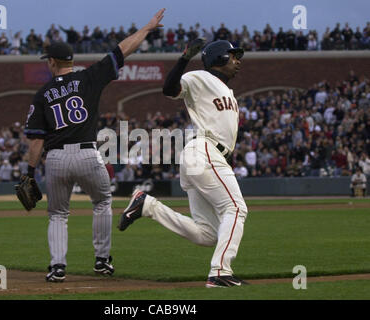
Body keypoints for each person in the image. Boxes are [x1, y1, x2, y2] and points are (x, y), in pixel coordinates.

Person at [22, 8, 165, 283]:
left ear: (52, 62)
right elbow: (122, 50)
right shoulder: (88, 77)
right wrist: (146, 29)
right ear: (71, 60)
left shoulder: (42, 94)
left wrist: (29, 172)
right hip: (88, 153)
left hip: (56, 159)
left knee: (58, 214)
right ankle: (101, 261)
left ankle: (57, 267)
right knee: (101, 202)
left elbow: (36, 140)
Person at [118, 39, 249, 288]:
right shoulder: (199, 77)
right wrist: (183, 59)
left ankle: (148, 206)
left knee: (207, 233)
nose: (237, 60)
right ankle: (220, 272)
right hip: (205, 151)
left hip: (207, 156)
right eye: (233, 56)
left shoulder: (227, 91)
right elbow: (169, 90)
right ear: (219, 58)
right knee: (236, 209)